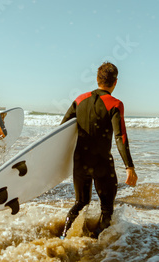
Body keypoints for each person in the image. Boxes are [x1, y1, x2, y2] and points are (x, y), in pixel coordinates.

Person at [61, 62, 138, 239]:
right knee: (107, 208)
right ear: (115, 82)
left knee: (80, 202)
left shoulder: (79, 99)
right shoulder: (115, 104)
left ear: (97, 80)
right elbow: (121, 137)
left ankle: (64, 237)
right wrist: (129, 167)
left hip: (80, 162)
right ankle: (98, 244)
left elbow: (62, 129)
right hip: (102, 163)